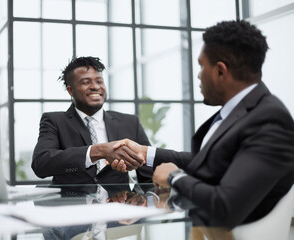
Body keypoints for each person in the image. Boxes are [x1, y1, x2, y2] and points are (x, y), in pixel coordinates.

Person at [111, 20, 294, 228]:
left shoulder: (269, 120)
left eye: (201, 65)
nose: (198, 75)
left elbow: (225, 205)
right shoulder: (243, 111)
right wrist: (146, 154)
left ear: (220, 71)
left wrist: (174, 177)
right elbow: (207, 161)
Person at [32, 56, 153, 184]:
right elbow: (41, 164)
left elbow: (150, 174)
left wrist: (144, 200)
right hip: (72, 202)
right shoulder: (54, 121)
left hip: (118, 201)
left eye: (99, 81)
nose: (95, 87)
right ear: (70, 90)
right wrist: (98, 151)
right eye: (86, 82)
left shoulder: (130, 122)